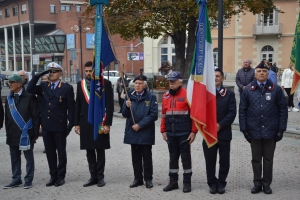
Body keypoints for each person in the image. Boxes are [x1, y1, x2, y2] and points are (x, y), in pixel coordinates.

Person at [239, 62, 288, 194]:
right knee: (256, 159)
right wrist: (244, 130)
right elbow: (242, 110)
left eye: (264, 71)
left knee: (268, 159)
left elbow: (283, 110)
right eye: (259, 71)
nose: (261, 73)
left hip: (271, 131)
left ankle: (266, 183)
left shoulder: (276, 89)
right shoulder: (248, 89)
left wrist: (281, 129)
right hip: (253, 131)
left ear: (268, 73)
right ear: (255, 73)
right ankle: (257, 183)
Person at [27, 62, 75, 187]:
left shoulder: (66, 88)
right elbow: (29, 89)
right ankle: (53, 176)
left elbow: (71, 108)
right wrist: (39, 75)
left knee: (61, 152)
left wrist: (69, 127)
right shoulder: (44, 86)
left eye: (54, 71)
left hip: (60, 126)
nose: (51, 74)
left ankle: (61, 176)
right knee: (50, 152)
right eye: (50, 71)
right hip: (47, 125)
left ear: (60, 74)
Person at [74, 61, 114, 187]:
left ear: (95, 71)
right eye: (86, 71)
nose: (87, 73)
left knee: (100, 150)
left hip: (100, 121)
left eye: (90, 71)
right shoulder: (80, 85)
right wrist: (76, 123)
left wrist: (107, 123)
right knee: (89, 150)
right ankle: (93, 176)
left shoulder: (105, 84)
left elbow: (110, 105)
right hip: (85, 122)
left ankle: (100, 176)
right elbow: (78, 105)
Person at [160, 71, 197, 193]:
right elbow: (164, 115)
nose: (171, 83)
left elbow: (194, 115)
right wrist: (163, 130)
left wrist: (193, 132)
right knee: (173, 158)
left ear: (180, 82)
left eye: (173, 81)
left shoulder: (188, 94)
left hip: (184, 133)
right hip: (171, 133)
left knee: (186, 158)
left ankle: (187, 182)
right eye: (170, 81)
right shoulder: (165, 96)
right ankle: (173, 182)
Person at [203, 68, 236, 194]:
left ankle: (221, 183)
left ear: (222, 78)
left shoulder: (229, 94)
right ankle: (212, 183)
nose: (215, 78)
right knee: (210, 160)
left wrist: (220, 125)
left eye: (218, 76)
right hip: (208, 134)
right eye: (213, 76)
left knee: (224, 160)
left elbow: (232, 113)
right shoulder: (205, 94)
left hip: (224, 133)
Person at [3, 75, 40, 189]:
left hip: (27, 134)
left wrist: (35, 133)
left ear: (19, 84)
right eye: (9, 82)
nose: (10, 84)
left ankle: (28, 179)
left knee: (29, 158)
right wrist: (8, 132)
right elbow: (8, 117)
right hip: (13, 133)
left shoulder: (30, 97)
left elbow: (36, 116)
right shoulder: (10, 98)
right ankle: (16, 179)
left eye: (12, 82)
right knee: (14, 158)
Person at [122, 75, 158, 189]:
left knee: (146, 156)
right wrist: (127, 107)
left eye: (140, 83)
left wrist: (140, 125)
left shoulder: (151, 97)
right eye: (136, 83)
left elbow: (153, 115)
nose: (137, 85)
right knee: (135, 157)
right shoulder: (129, 96)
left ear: (145, 85)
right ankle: (137, 178)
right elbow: (124, 114)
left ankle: (148, 179)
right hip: (133, 132)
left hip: (145, 132)